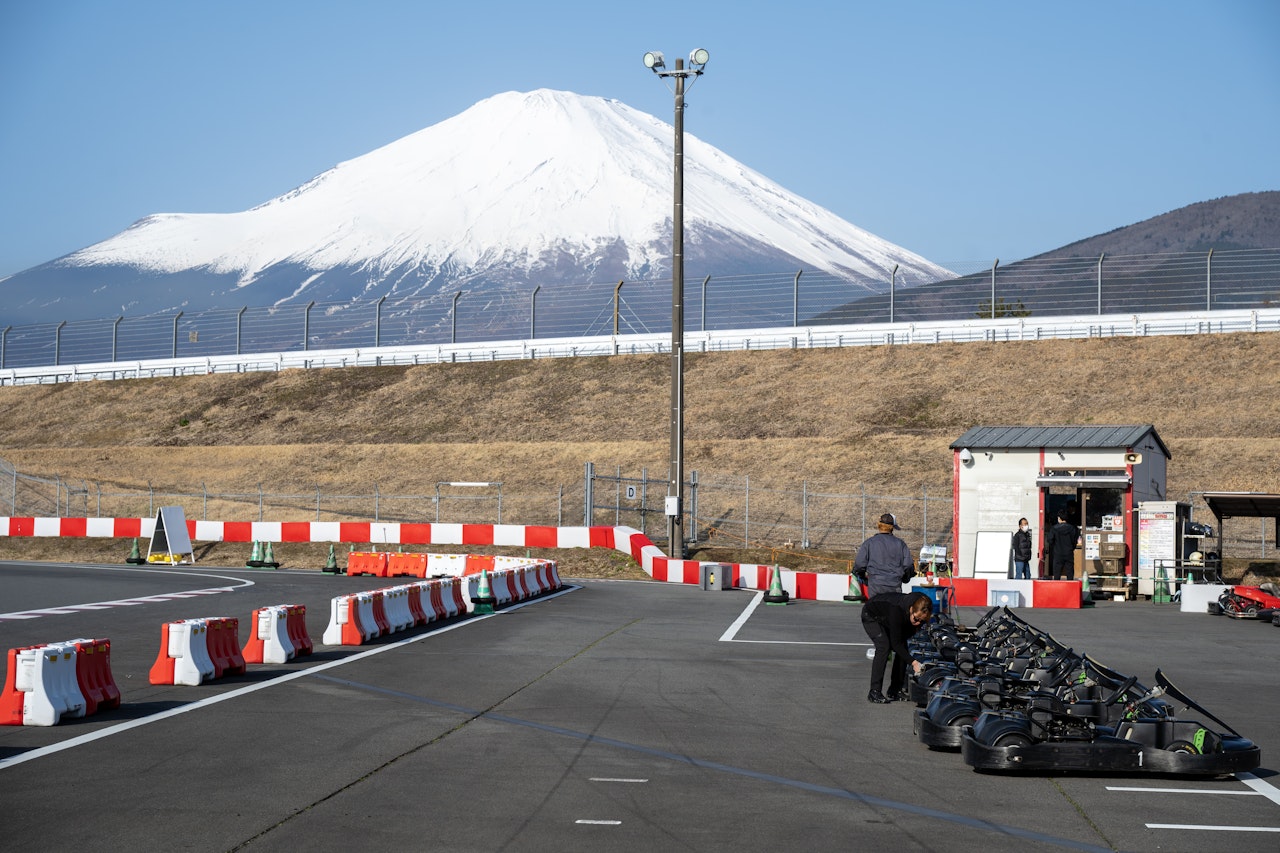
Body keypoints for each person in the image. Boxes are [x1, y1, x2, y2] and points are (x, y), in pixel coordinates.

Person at [861, 590, 933, 703]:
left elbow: (901, 643)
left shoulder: (924, 606)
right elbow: (895, 644)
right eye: (916, 619)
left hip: (888, 616)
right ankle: (874, 691)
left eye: (922, 621)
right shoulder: (897, 611)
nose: (918, 623)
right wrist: (914, 663)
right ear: (911, 609)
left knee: (903, 650)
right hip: (871, 614)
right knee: (884, 647)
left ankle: (895, 690)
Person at [854, 512, 916, 598]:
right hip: (894, 585)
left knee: (876, 606)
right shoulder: (900, 544)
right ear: (892, 527)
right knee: (893, 606)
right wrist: (906, 578)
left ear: (879, 525)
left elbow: (859, 564)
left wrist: (862, 577)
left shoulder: (869, 543)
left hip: (875, 585)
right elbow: (908, 565)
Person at [1047, 511, 1080, 580]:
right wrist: (1072, 548)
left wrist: (1054, 547)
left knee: (1057, 574)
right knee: (1070, 573)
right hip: (1069, 553)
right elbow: (1074, 541)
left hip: (1058, 553)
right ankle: (1070, 585)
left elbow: (1050, 540)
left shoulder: (1054, 528)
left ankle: (1057, 586)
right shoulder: (1072, 528)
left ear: (1059, 518)